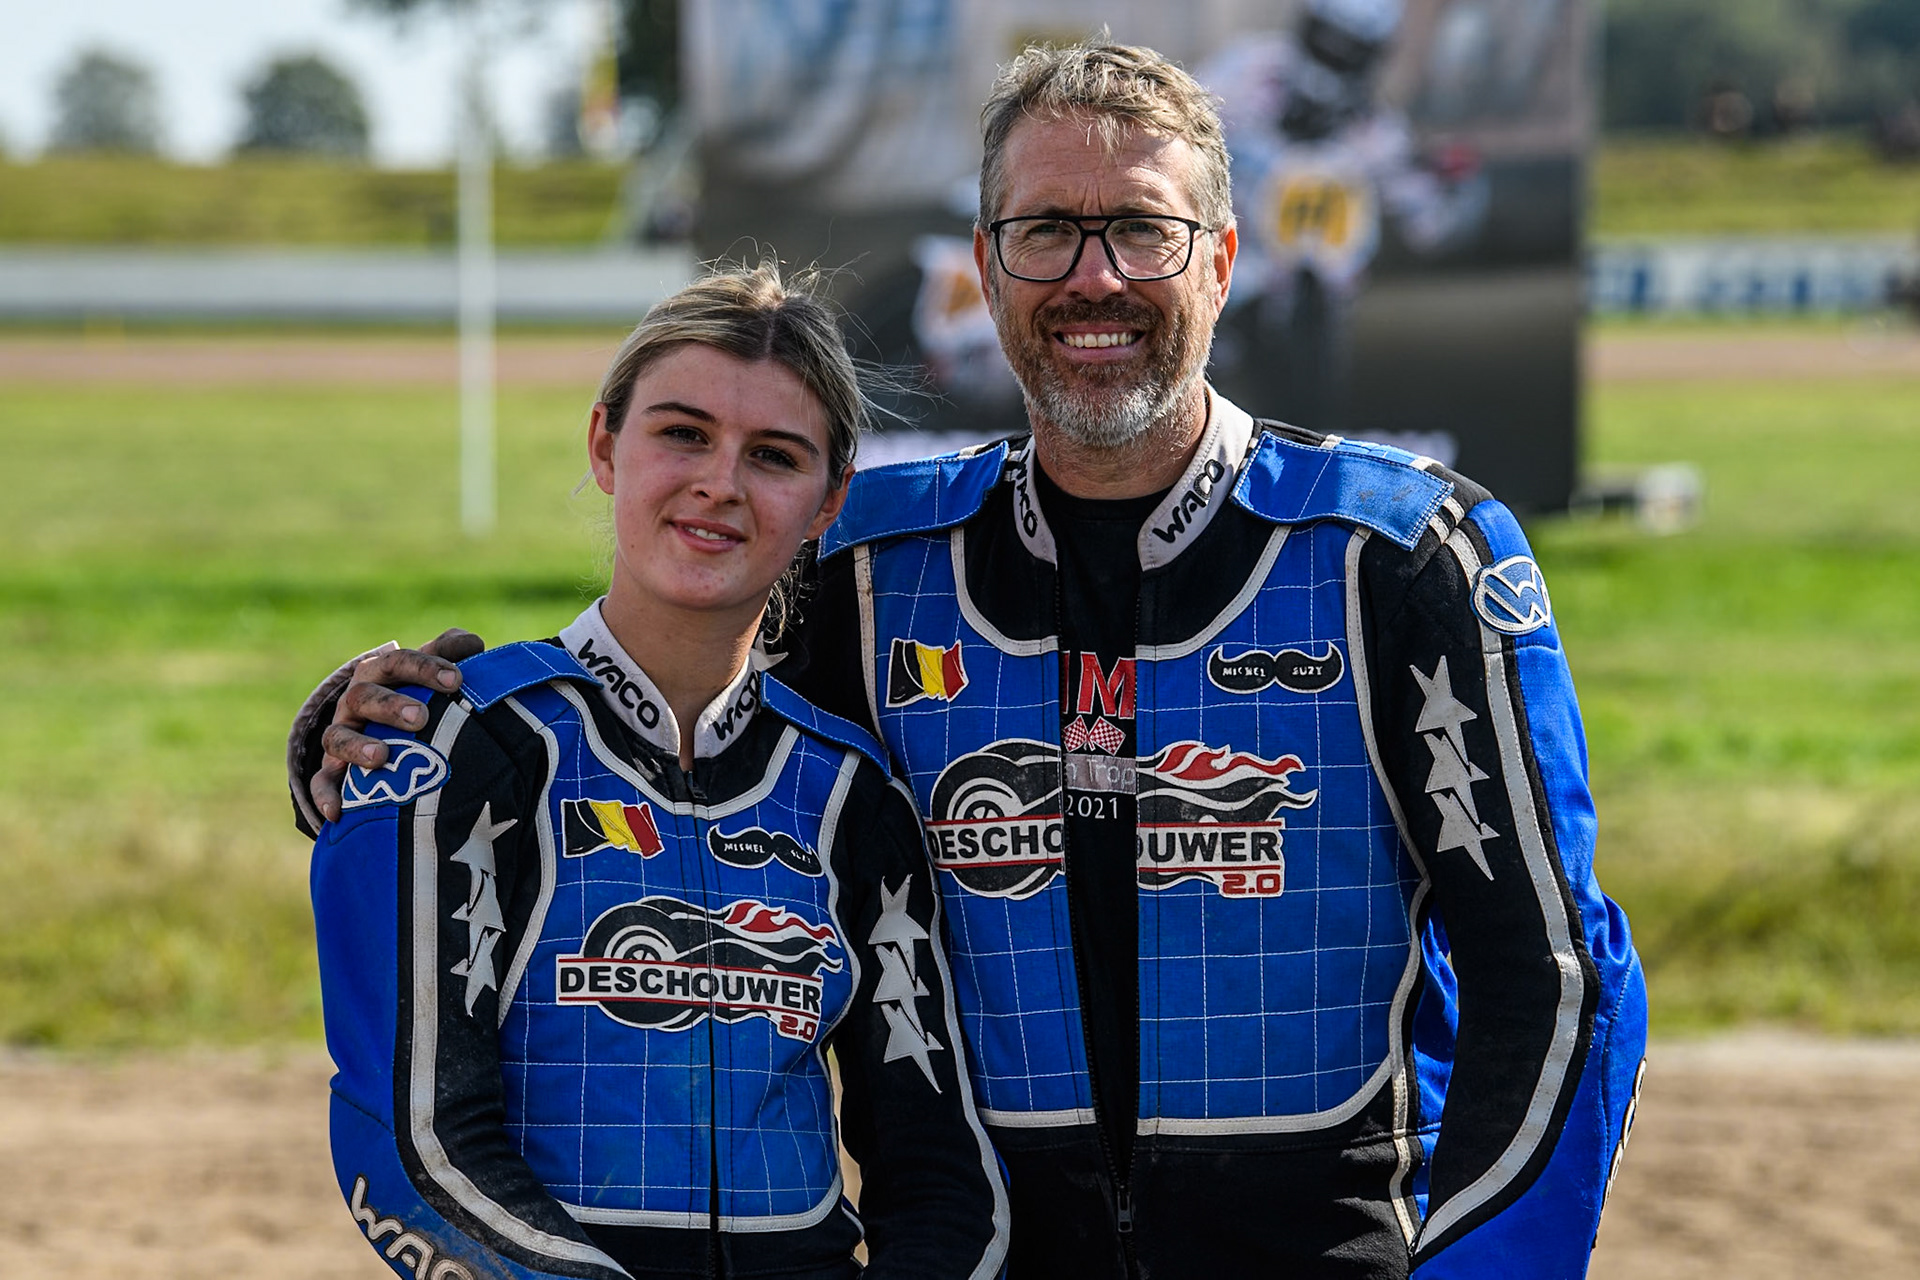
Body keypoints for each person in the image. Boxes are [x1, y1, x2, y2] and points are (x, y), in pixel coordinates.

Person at [294, 41, 1646, 1280]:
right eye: (1046, 232)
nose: (1093, 277)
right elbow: (646, 727)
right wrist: (369, 740)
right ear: (986, 269)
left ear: (1223, 260)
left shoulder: (1399, 557)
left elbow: (1561, 981)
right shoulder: (873, 561)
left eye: (1141, 232)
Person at [307, 263, 1009, 1280]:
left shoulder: (852, 792)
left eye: (774, 455)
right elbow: (412, 1144)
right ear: (605, 443)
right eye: (683, 433)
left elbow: (939, 1172)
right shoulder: (461, 749)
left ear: (829, 502)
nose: (720, 482)